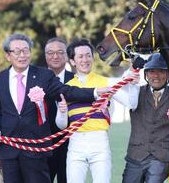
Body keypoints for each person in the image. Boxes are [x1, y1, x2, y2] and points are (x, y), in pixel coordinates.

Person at [0, 33, 104, 183]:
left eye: (26, 50)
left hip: (37, 151)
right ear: (8, 56)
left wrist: (94, 92)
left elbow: (66, 91)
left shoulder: (43, 75)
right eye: (17, 51)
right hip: (9, 153)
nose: (22, 55)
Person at [54, 38, 139, 183]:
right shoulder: (67, 87)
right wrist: (62, 112)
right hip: (76, 143)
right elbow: (61, 125)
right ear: (73, 61)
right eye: (80, 56)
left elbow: (132, 104)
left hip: (99, 141)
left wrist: (133, 85)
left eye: (88, 55)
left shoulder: (106, 82)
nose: (85, 60)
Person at [119, 53, 169, 183]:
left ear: (168, 75)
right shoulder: (136, 92)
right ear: (146, 75)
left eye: (161, 71)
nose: (156, 76)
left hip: (161, 157)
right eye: (151, 71)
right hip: (136, 156)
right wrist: (132, 69)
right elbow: (124, 83)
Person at [44, 37, 73, 183]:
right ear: (45, 56)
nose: (55, 56)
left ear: (67, 56)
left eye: (60, 52)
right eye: (51, 52)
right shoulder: (35, 79)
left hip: (72, 146)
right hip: (43, 146)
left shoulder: (76, 80)